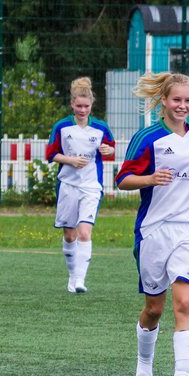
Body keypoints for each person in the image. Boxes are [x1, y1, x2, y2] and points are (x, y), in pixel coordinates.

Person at [116, 72, 189, 376]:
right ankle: (144, 364)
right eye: (176, 100)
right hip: (154, 231)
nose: (182, 106)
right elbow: (122, 179)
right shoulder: (148, 138)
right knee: (155, 308)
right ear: (163, 101)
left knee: (184, 302)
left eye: (188, 100)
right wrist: (149, 178)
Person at [46, 77, 116, 293]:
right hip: (67, 185)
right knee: (69, 235)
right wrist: (70, 160)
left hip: (91, 187)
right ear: (72, 104)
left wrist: (109, 150)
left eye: (86, 106)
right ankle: (71, 275)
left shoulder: (101, 128)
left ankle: (79, 280)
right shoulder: (62, 126)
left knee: (84, 232)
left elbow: (111, 148)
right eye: (79, 106)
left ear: (91, 105)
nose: (82, 110)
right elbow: (51, 154)